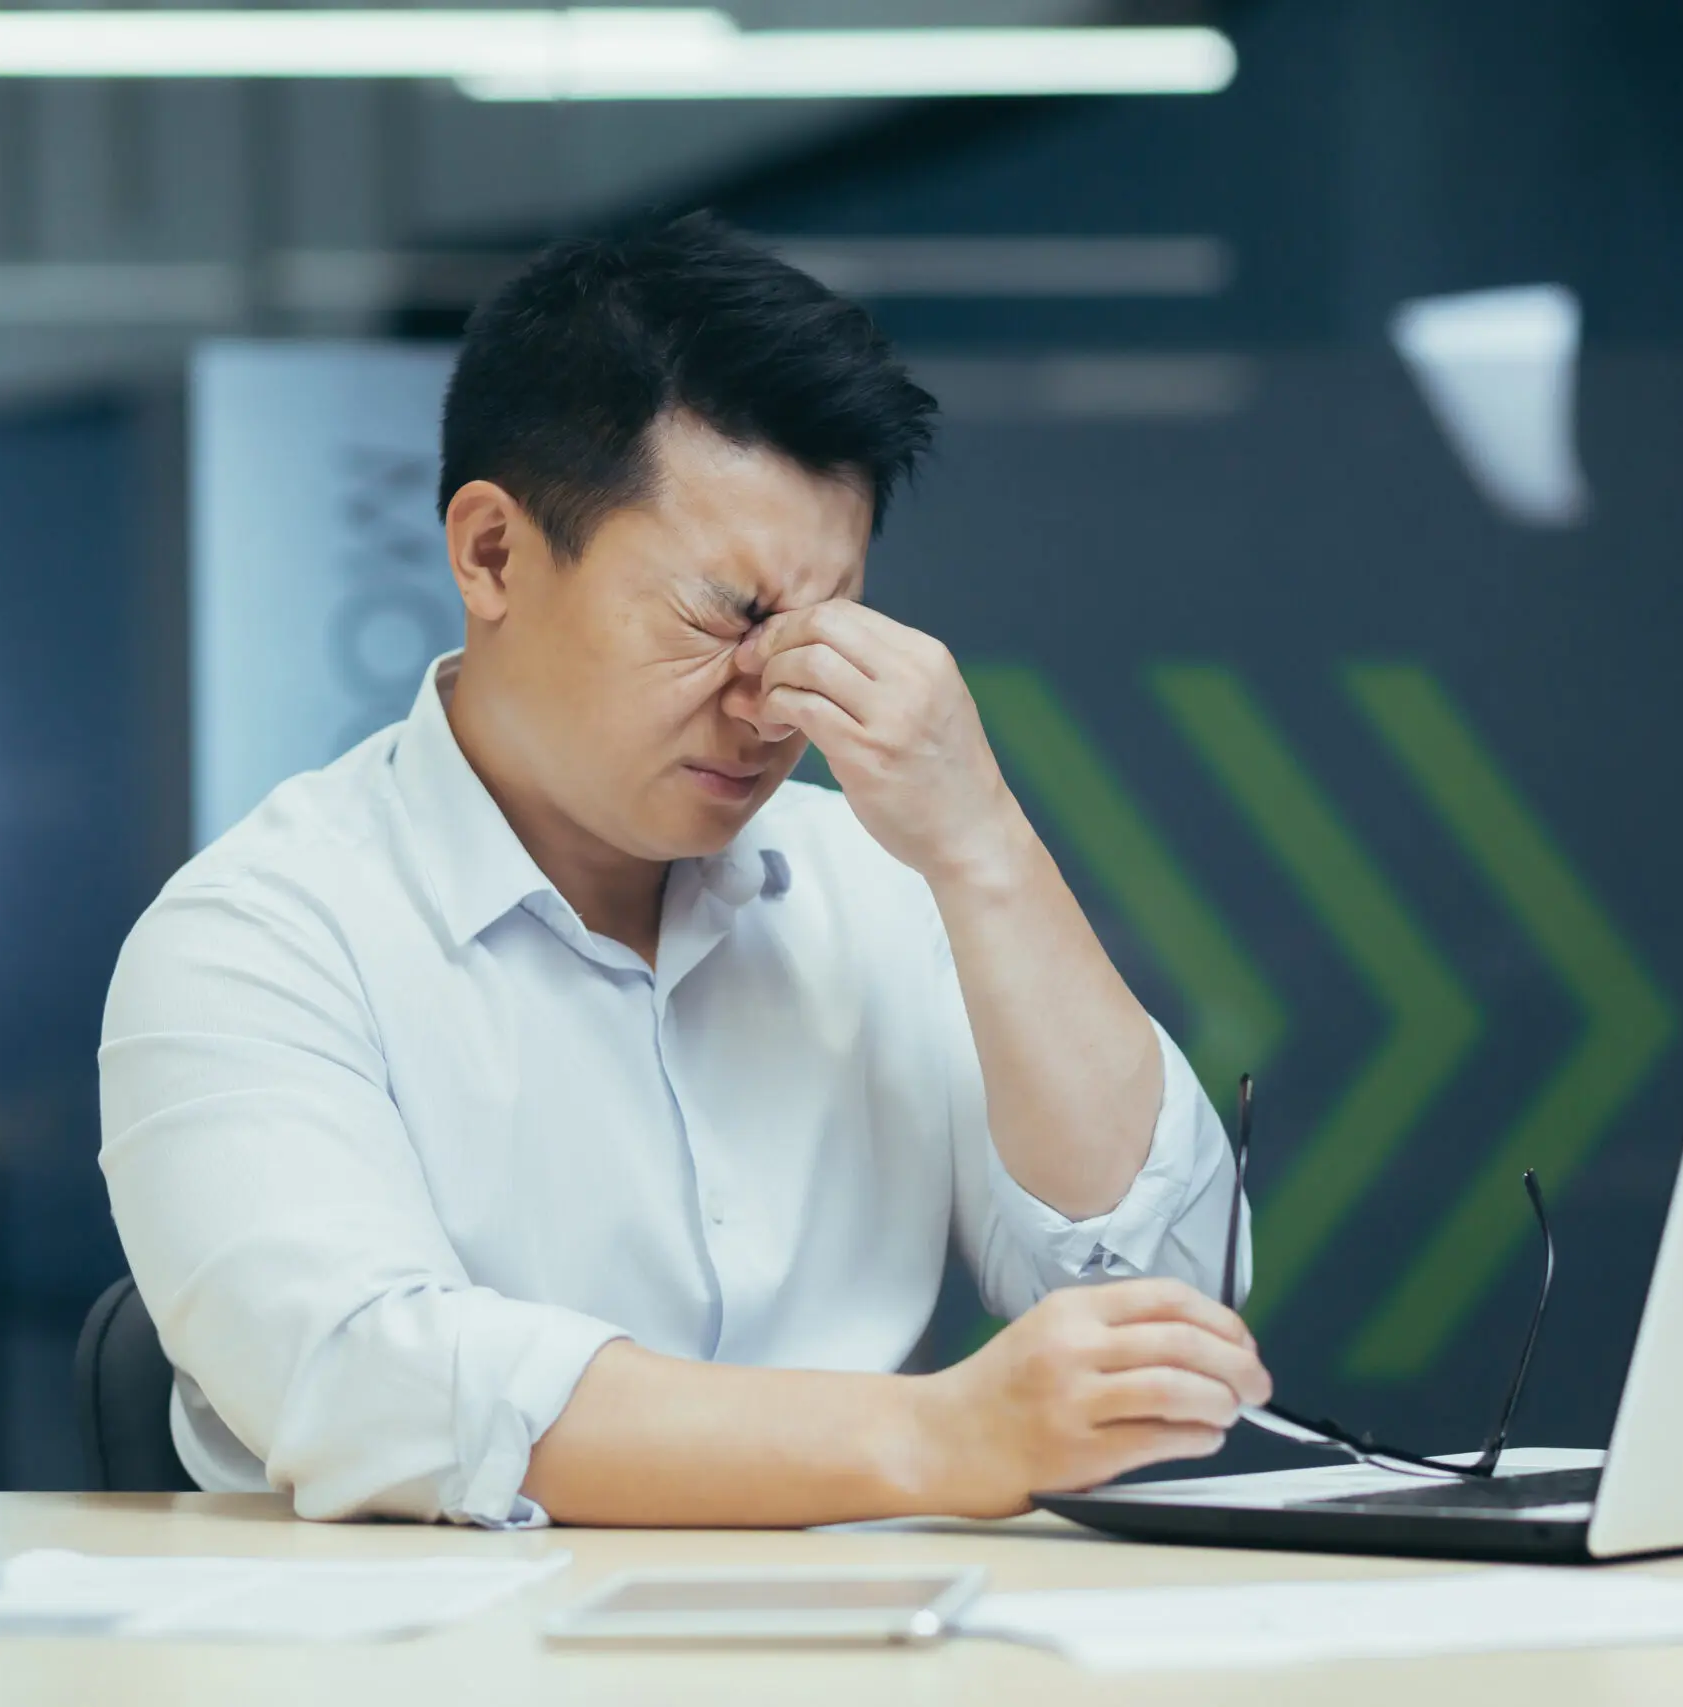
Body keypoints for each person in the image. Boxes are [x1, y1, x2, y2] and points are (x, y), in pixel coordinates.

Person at [99, 211, 1268, 1528]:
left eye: (826, 628)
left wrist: (984, 843)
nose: (772, 704)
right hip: (453, 1629)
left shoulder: (884, 885)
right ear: (492, 553)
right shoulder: (257, 935)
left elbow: (1165, 1310)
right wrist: (937, 1435)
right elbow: (367, 1382)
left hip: (889, 1624)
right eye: (727, 614)